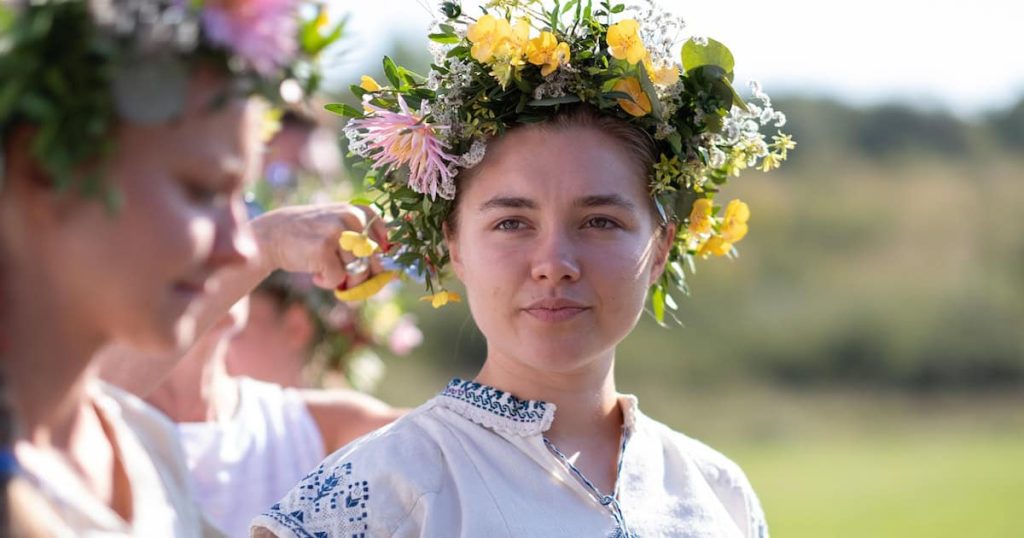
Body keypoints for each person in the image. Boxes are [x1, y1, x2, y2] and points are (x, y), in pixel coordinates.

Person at [253, 1, 793, 536]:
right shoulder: (378, 493)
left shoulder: (717, 492)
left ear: (659, 248)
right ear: (454, 246)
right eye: (512, 223)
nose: (555, 264)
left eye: (600, 221)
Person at [0, 1, 385, 535]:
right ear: (42, 171)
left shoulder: (141, 448)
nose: (243, 250)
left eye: (241, 201)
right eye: (201, 191)